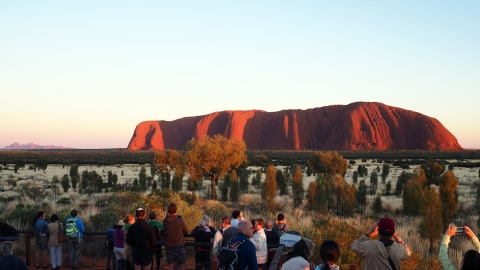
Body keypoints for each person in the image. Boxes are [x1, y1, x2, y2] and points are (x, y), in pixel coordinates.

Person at [163, 203, 188, 270]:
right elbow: (185, 231)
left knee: (171, 266)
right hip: (179, 246)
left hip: (169, 246)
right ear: (176, 211)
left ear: (168, 211)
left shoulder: (165, 221)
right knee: (182, 266)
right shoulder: (180, 221)